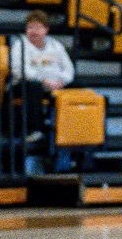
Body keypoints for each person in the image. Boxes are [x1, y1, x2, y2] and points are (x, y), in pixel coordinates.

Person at [8, 12, 74, 148]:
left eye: (37, 28)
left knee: (79, 87)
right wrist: (44, 81)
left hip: (54, 84)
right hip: (23, 85)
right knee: (34, 86)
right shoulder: (20, 44)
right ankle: (34, 130)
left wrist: (62, 82)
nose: (33, 31)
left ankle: (73, 129)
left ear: (46, 29)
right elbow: (19, 69)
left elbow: (68, 69)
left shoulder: (56, 45)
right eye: (30, 27)